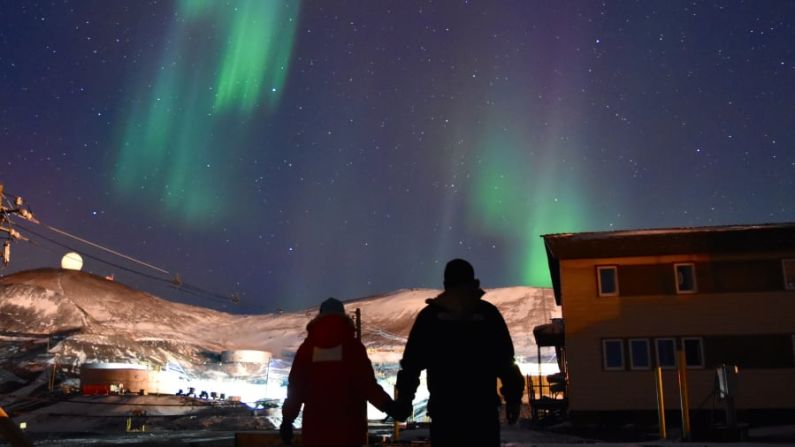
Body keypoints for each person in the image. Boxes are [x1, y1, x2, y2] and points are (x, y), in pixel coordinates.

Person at [393, 258, 525, 446]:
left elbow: (411, 364)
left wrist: (405, 399)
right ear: (473, 282)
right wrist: (513, 398)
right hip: (483, 414)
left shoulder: (429, 317)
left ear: (446, 284)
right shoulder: (489, 315)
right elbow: (506, 362)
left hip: (445, 413)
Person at [281, 297, 397, 446]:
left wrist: (287, 419)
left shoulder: (307, 349)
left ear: (319, 317)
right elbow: (368, 386)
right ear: (344, 317)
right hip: (350, 432)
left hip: (316, 432)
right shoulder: (353, 348)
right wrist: (389, 406)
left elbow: (296, 388)